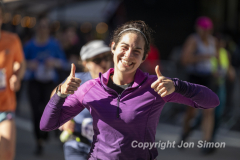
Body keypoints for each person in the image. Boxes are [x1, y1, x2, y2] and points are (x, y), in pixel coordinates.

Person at [40, 20, 219, 159]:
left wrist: (179, 85)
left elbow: (212, 100)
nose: (128, 55)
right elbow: (47, 125)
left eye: (136, 51)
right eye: (124, 48)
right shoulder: (89, 88)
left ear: (144, 57)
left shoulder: (156, 87)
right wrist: (60, 93)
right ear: (113, 47)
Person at [50, 40, 112, 160]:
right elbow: (55, 96)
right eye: (97, 60)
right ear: (85, 63)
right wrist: (64, 120)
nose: (104, 62)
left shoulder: (117, 82)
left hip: (105, 148)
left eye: (106, 57)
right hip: (76, 144)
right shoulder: (78, 80)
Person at [23, 15, 67, 155]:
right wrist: (30, 64)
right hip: (34, 82)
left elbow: (63, 63)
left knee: (48, 110)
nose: (43, 30)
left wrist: (54, 62)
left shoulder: (54, 44)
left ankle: (47, 131)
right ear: (36, 28)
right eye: (40, 27)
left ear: (49, 29)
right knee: (36, 113)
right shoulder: (29, 45)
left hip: (50, 83)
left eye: (45, 27)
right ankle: (39, 142)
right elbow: (21, 63)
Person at [179, 16, 218, 152]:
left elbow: (217, 59)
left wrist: (219, 69)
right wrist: (202, 57)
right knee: (192, 111)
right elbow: (185, 60)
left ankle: (206, 142)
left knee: (209, 110)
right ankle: (185, 131)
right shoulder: (193, 40)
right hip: (195, 78)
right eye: (203, 30)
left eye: (208, 30)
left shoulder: (213, 41)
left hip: (208, 78)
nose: (205, 33)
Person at [0, 3, 26, 160]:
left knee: (7, 153)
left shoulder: (12, 40)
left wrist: (17, 75)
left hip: (5, 107)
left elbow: (20, 62)